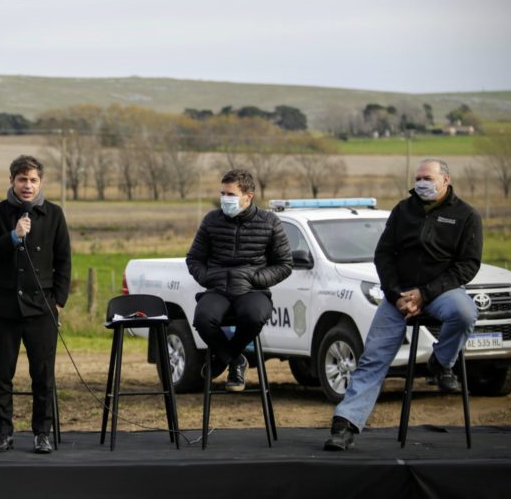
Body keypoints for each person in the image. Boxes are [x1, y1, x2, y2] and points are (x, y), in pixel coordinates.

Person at [324, 158, 481, 451]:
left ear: (445, 180)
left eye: (427, 178)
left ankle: (440, 363)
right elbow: (384, 255)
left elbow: (468, 265)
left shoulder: (466, 215)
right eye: (418, 177)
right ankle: (345, 424)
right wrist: (396, 295)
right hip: (398, 297)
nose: (421, 183)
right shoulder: (402, 211)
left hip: (441, 292)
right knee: (373, 357)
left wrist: (426, 293)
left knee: (465, 313)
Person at [0, 155, 71, 454]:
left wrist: (58, 302)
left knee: (43, 375)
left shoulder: (54, 214)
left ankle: (42, 432)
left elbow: (64, 261)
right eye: (22, 180)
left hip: (42, 307)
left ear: (40, 182)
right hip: (5, 308)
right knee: (2, 375)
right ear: (11, 181)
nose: (27, 186)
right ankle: (3, 432)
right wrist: (13, 236)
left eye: (33, 180)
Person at [186, 168, 293, 392]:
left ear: (248, 197)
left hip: (252, 290)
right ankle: (235, 360)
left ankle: (222, 359)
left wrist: (256, 278)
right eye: (223, 193)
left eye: (231, 195)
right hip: (218, 289)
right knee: (203, 319)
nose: (225, 199)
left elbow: (284, 264)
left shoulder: (270, 222)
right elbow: (194, 258)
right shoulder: (211, 220)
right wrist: (208, 277)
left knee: (254, 316)